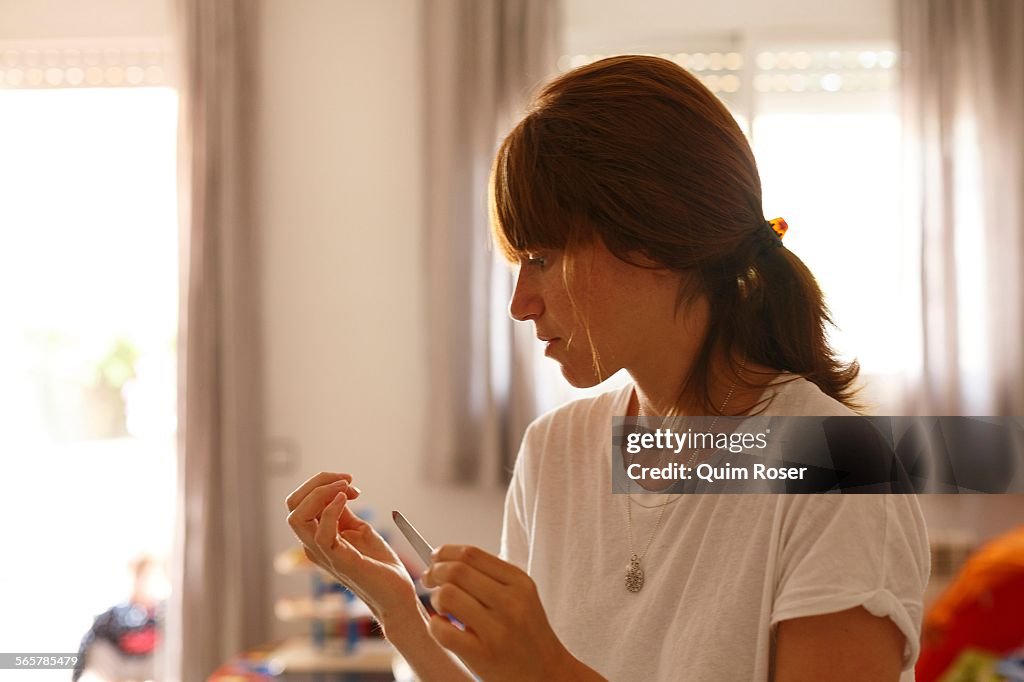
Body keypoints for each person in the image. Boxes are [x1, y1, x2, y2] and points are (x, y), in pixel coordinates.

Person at [286, 55, 929, 681]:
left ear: (654, 237)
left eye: (541, 256)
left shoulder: (844, 477)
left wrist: (548, 670)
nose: (520, 304)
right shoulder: (555, 450)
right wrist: (399, 607)